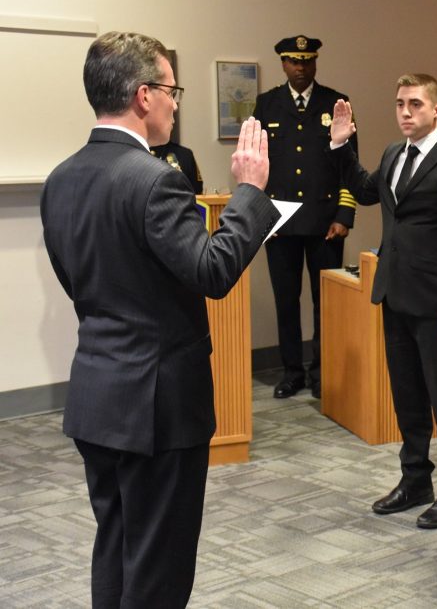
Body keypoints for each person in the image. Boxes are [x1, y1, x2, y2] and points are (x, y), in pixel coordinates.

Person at [39, 31, 279, 608]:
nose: (177, 101)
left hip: (97, 398)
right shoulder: (154, 179)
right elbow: (213, 271)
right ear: (145, 95)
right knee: (159, 573)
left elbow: (82, 286)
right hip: (158, 410)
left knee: (118, 550)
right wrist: (248, 191)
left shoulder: (61, 179)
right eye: (172, 89)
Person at [329, 74, 437, 528]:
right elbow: (364, 192)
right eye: (400, 103)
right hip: (396, 296)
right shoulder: (393, 154)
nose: (404, 112)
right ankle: (415, 478)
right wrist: (343, 146)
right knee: (408, 398)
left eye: (415, 104)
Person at [253, 34, 358, 400]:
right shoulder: (267, 105)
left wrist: (345, 214)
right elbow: (257, 165)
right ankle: (292, 371)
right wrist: (261, 217)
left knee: (324, 302)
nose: (301, 68)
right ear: (283, 64)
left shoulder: (336, 103)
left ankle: (322, 372)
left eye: (307, 61)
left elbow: (350, 166)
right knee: (286, 300)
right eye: (294, 62)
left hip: (325, 223)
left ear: (315, 63)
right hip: (280, 223)